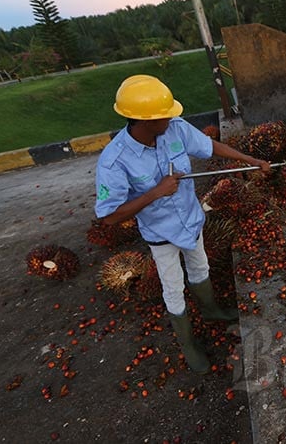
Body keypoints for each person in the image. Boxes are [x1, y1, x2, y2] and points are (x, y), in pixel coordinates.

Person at [95, 74, 269, 374]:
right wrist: (155, 192)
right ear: (144, 121)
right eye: (166, 114)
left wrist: (248, 159)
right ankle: (188, 342)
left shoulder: (174, 128)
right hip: (161, 235)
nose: (174, 116)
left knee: (200, 267)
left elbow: (209, 146)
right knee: (173, 287)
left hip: (192, 219)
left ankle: (211, 309)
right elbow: (109, 216)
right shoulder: (114, 161)